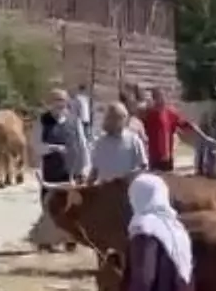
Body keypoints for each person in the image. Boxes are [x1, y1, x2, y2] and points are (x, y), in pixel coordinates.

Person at [34, 89, 89, 252]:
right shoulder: (43, 122)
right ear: (50, 103)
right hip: (50, 172)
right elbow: (36, 146)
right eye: (56, 100)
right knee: (49, 206)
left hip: (70, 171)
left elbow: (83, 145)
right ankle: (47, 240)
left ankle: (70, 240)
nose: (59, 104)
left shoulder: (74, 122)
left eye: (62, 100)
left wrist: (85, 167)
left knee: (71, 207)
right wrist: (53, 148)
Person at [138, 87, 216, 172]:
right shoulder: (148, 114)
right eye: (158, 97)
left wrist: (205, 137)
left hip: (167, 159)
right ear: (154, 98)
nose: (161, 99)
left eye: (162, 96)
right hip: (153, 160)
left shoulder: (171, 113)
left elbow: (189, 125)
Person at [89, 102, 148, 184]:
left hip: (127, 189)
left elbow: (143, 166)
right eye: (111, 118)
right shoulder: (100, 142)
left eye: (119, 118)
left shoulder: (133, 140)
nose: (113, 121)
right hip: (105, 190)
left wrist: (127, 177)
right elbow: (95, 169)